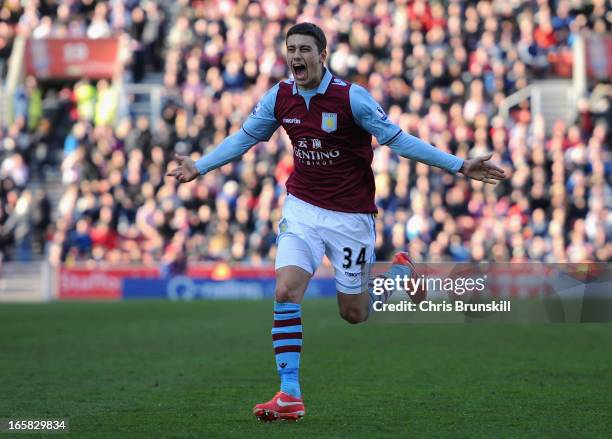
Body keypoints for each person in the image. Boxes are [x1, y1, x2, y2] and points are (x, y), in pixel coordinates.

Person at [167, 22, 506, 422]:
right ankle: (289, 393)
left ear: (322, 55)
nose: (296, 56)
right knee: (286, 290)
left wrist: (460, 165)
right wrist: (200, 167)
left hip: (350, 217)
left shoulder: (352, 99)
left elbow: (400, 140)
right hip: (302, 209)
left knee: (354, 313)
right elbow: (244, 138)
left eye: (304, 49)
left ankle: (399, 277)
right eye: (290, 48)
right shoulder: (280, 96)